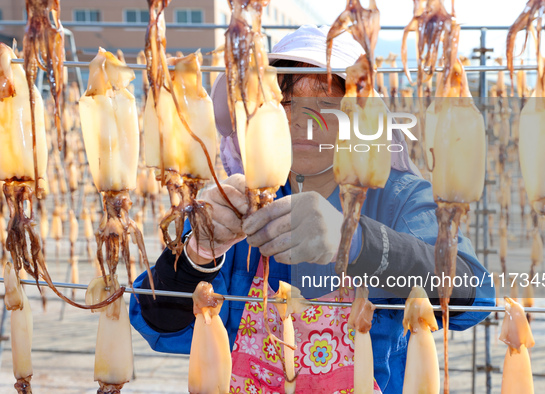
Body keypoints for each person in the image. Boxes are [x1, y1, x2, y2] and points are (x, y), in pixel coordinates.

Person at [130, 25, 495, 394]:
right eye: (285, 102)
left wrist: (355, 243)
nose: (304, 119)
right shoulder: (239, 205)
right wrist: (198, 254)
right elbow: (162, 324)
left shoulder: (398, 199)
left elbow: (472, 292)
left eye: (327, 103)